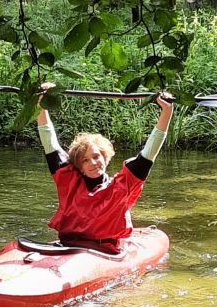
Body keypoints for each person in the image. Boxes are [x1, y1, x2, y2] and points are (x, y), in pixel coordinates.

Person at [37, 84, 174, 254]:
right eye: (85, 160)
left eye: (96, 156)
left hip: (104, 251)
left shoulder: (123, 185)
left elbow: (149, 152)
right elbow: (49, 141)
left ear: (105, 156)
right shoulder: (68, 178)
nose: (93, 163)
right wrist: (42, 103)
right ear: (79, 165)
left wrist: (167, 112)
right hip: (67, 246)